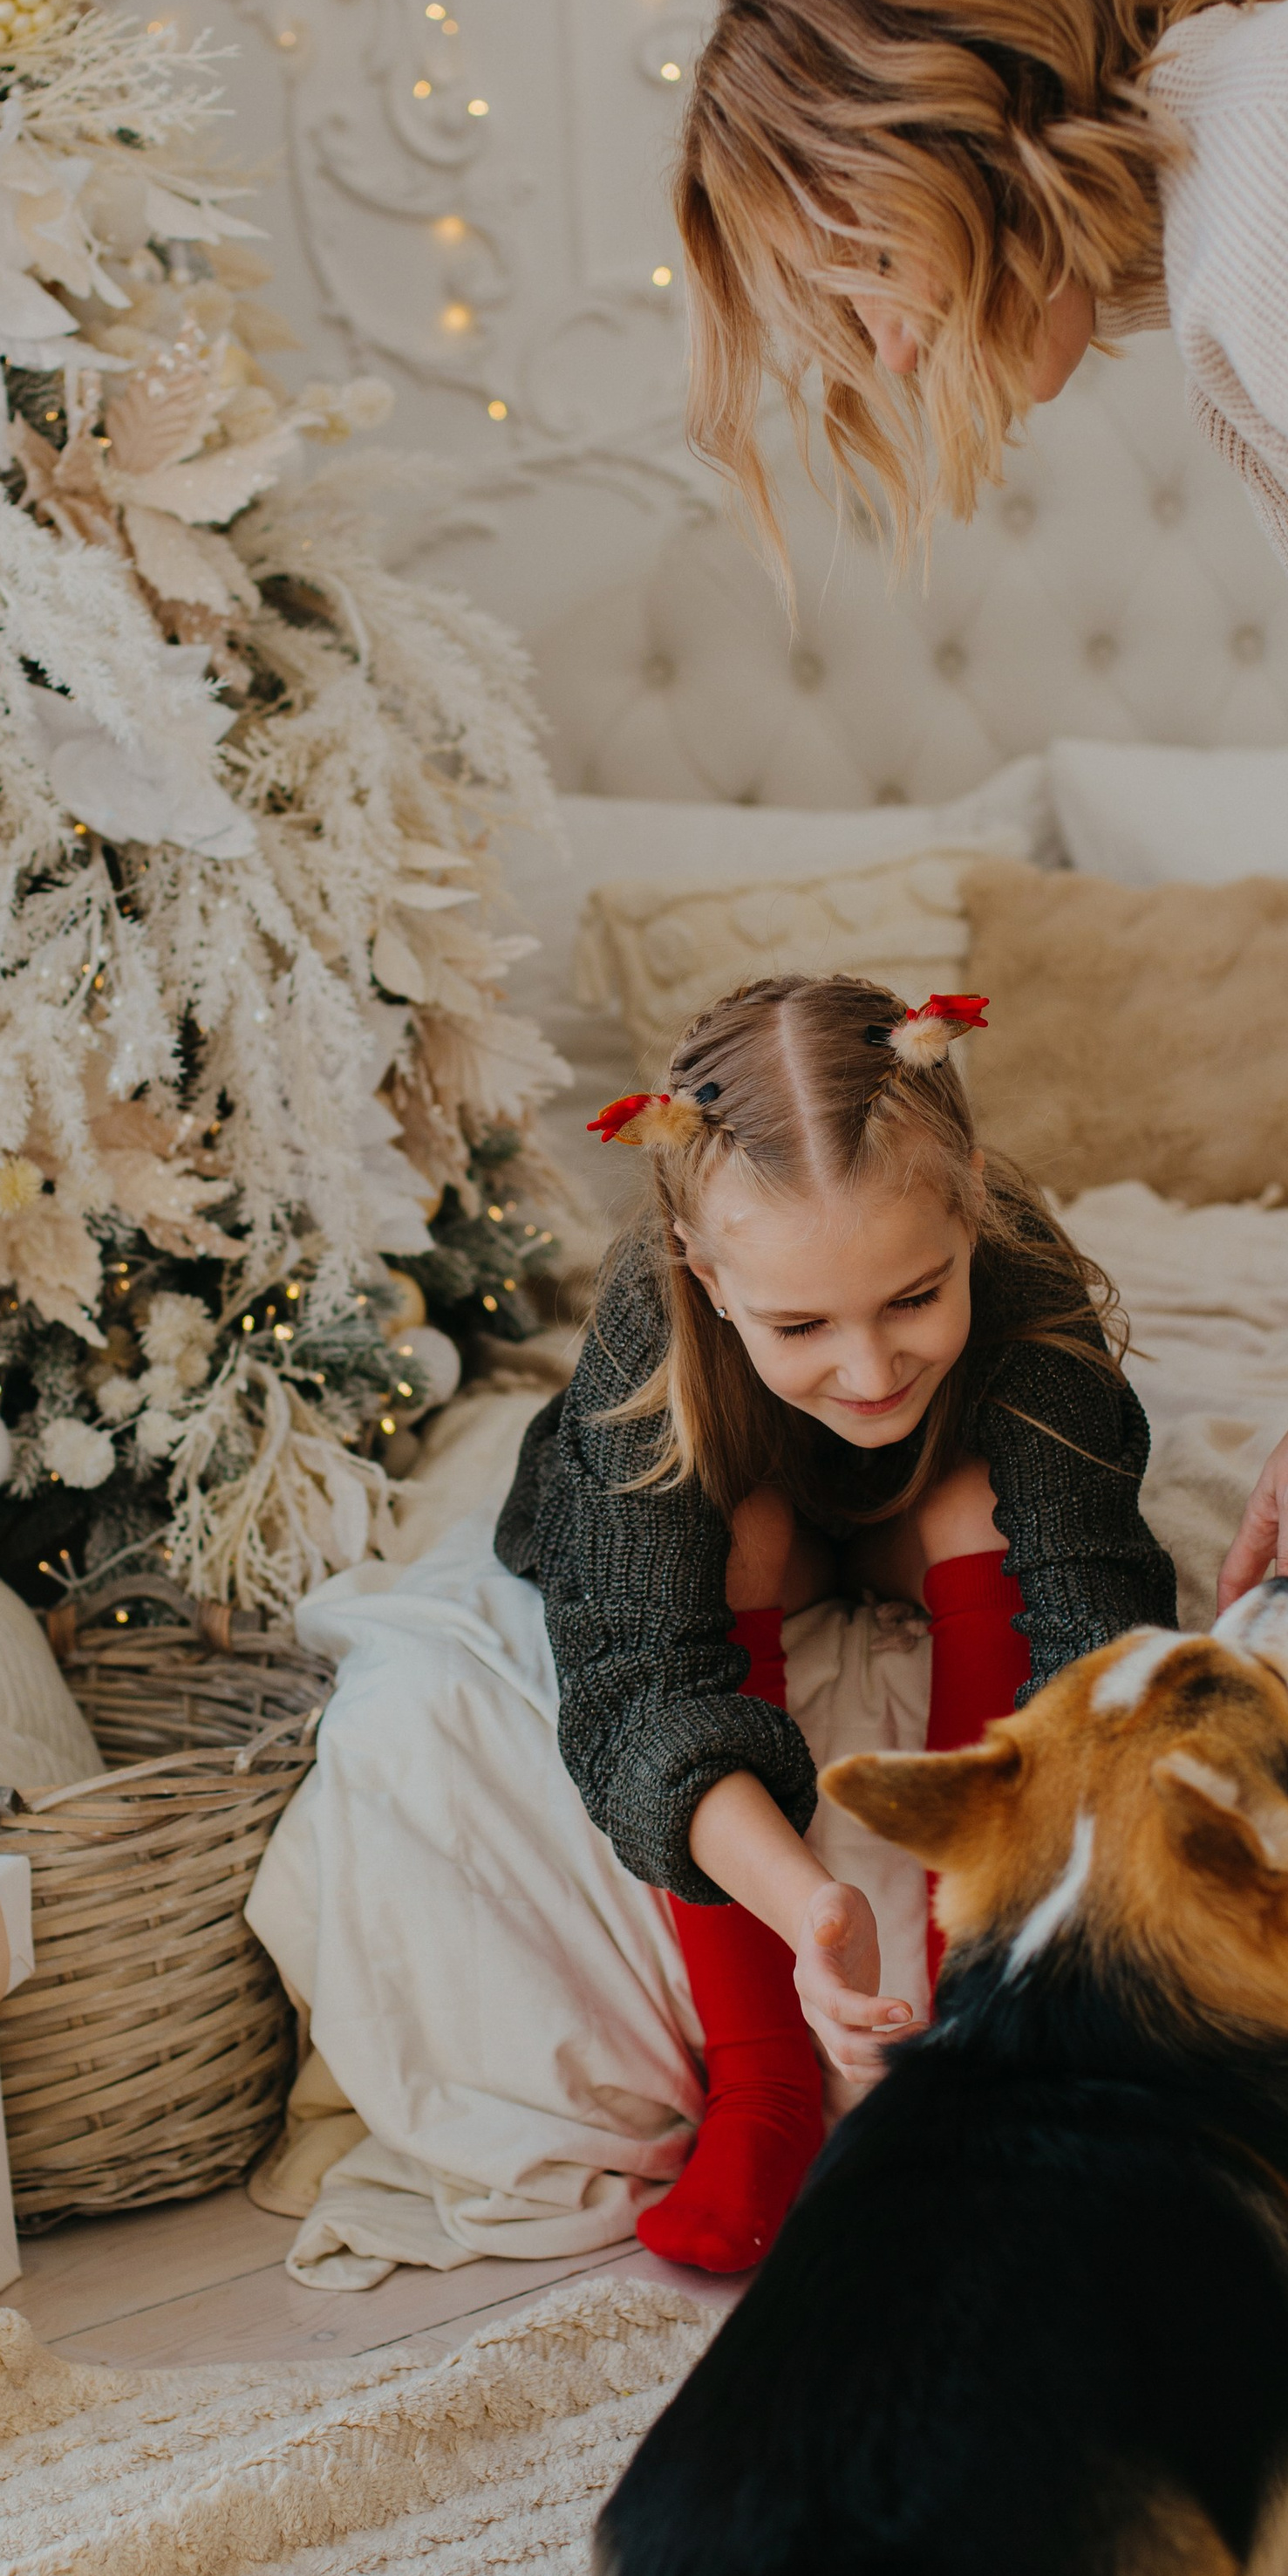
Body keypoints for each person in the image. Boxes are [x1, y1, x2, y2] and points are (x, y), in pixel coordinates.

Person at [674, 0, 1288, 1656]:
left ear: (956, 128)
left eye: (862, 264)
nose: (877, 348)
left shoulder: (1282, 217)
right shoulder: (1244, 240)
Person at [492, 970, 1177, 2271]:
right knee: (737, 1528)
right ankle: (764, 2086)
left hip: (923, 1504)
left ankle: (972, 2045)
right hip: (762, 1521)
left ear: (970, 1197)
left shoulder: (1027, 1293)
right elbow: (636, 1693)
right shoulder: (655, 1328)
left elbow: (1096, 1628)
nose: (868, 1372)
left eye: (915, 1300)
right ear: (704, 1266)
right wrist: (806, 1905)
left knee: (987, 1507)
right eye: (801, 1324)